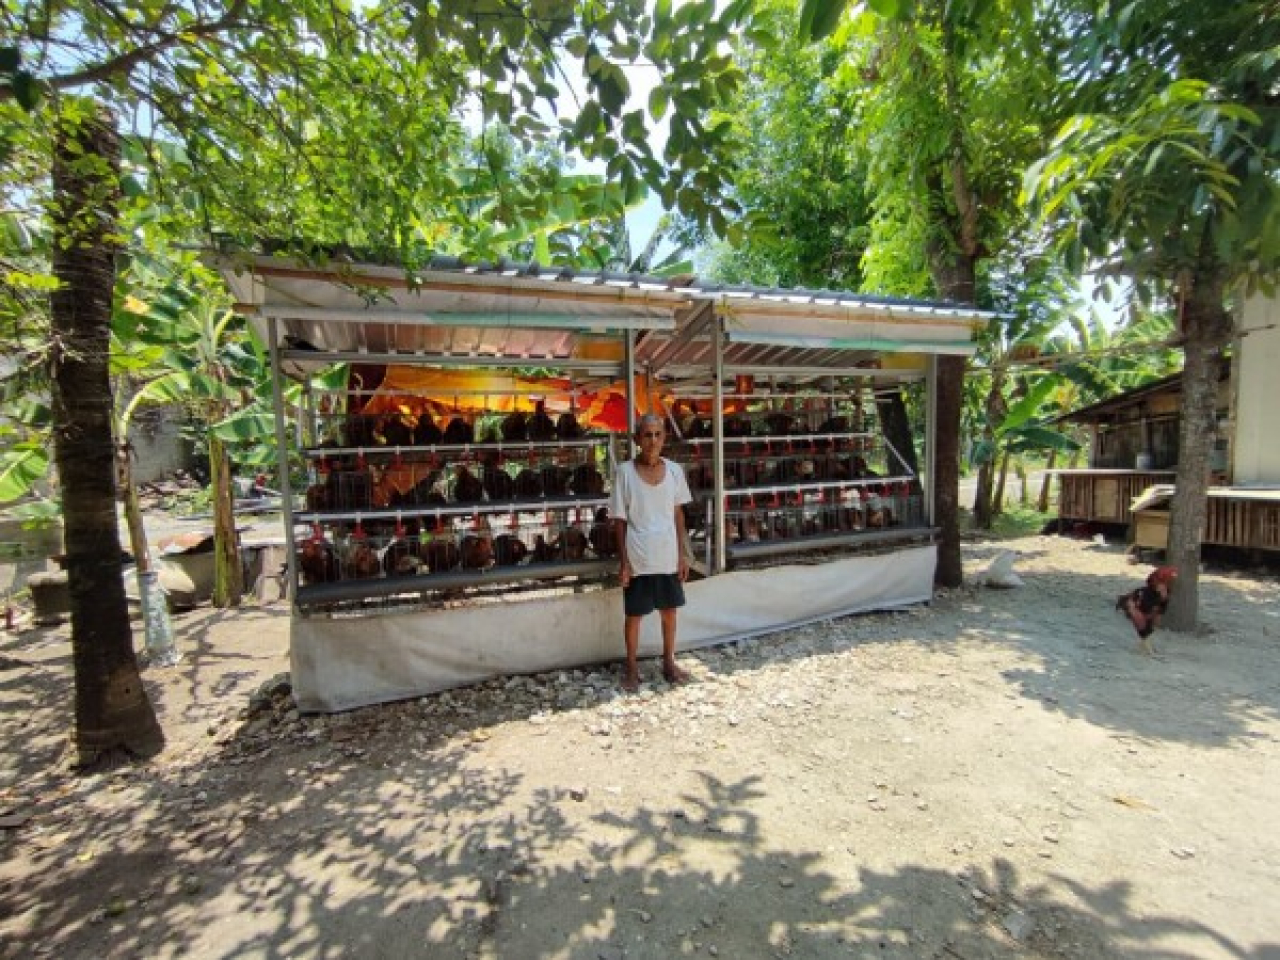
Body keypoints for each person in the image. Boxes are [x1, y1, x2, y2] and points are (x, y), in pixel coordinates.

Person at [611, 414, 693, 692]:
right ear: (636, 440)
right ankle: (631, 668)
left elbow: (678, 513)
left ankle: (669, 662)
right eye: (647, 435)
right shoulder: (624, 473)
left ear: (664, 438)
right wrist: (624, 563)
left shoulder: (674, 471)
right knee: (635, 615)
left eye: (658, 434)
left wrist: (682, 554)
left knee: (669, 612)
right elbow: (619, 521)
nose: (653, 441)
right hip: (638, 556)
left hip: (667, 553)